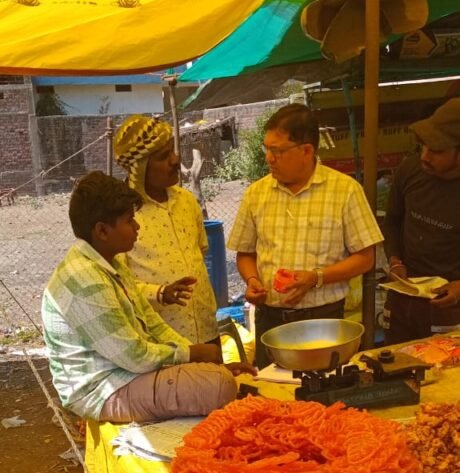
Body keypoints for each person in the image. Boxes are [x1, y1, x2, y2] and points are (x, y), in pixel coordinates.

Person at [41, 172, 253, 423]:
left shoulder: (112, 265)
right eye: (129, 221)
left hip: (126, 373)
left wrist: (198, 360)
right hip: (100, 389)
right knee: (218, 386)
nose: (137, 227)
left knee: (217, 378)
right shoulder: (85, 280)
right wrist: (192, 355)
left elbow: (153, 324)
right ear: (102, 231)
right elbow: (135, 357)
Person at [228, 104, 383, 367]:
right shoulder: (256, 193)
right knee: (270, 389)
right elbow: (245, 253)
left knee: (324, 388)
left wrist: (316, 278)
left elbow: (366, 258)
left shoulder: (345, 190)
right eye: (267, 149)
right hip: (270, 319)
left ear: (307, 150)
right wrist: (252, 280)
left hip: (324, 321)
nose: (269, 159)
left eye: (277, 151)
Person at [114, 115, 218, 344]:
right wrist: (159, 293)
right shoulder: (122, 216)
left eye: (172, 150)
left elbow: (200, 252)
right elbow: (116, 286)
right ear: (140, 167)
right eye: (163, 157)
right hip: (163, 343)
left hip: (206, 329)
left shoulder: (186, 201)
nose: (175, 160)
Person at [383, 97, 460, 343]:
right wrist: (394, 260)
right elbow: (393, 221)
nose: (425, 156)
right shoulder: (411, 169)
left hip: (449, 304)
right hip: (404, 292)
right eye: (423, 146)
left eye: (437, 150)